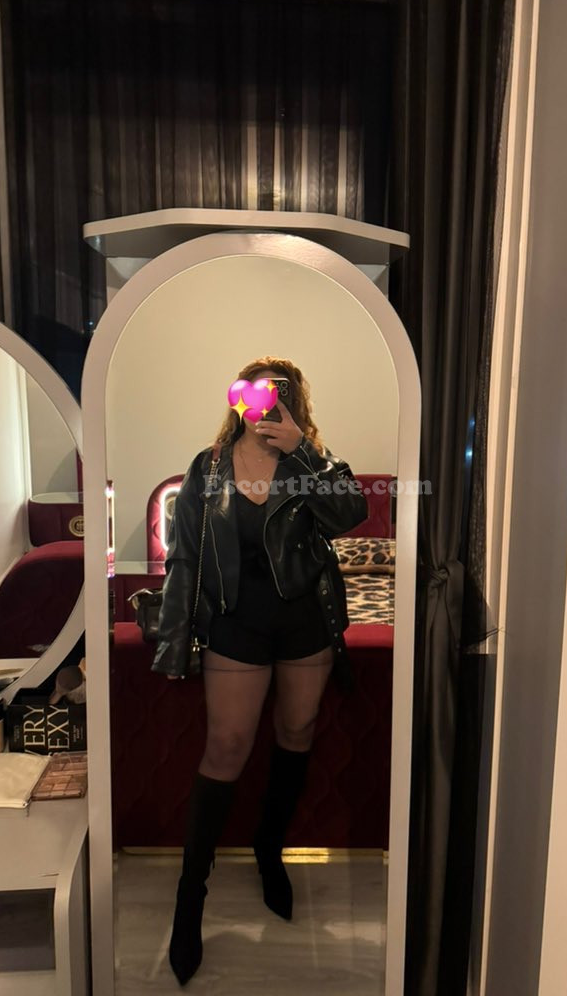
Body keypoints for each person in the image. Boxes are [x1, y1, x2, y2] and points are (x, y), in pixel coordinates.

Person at [151, 356, 368, 986]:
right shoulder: (208, 466)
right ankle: (190, 899)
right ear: (237, 400)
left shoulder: (312, 464)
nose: (261, 404)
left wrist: (303, 451)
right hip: (236, 624)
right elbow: (184, 558)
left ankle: (269, 849)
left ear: (292, 403)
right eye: (249, 393)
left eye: (276, 395)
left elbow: (352, 515)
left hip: (304, 623)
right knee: (226, 745)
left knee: (296, 731)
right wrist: (175, 641)